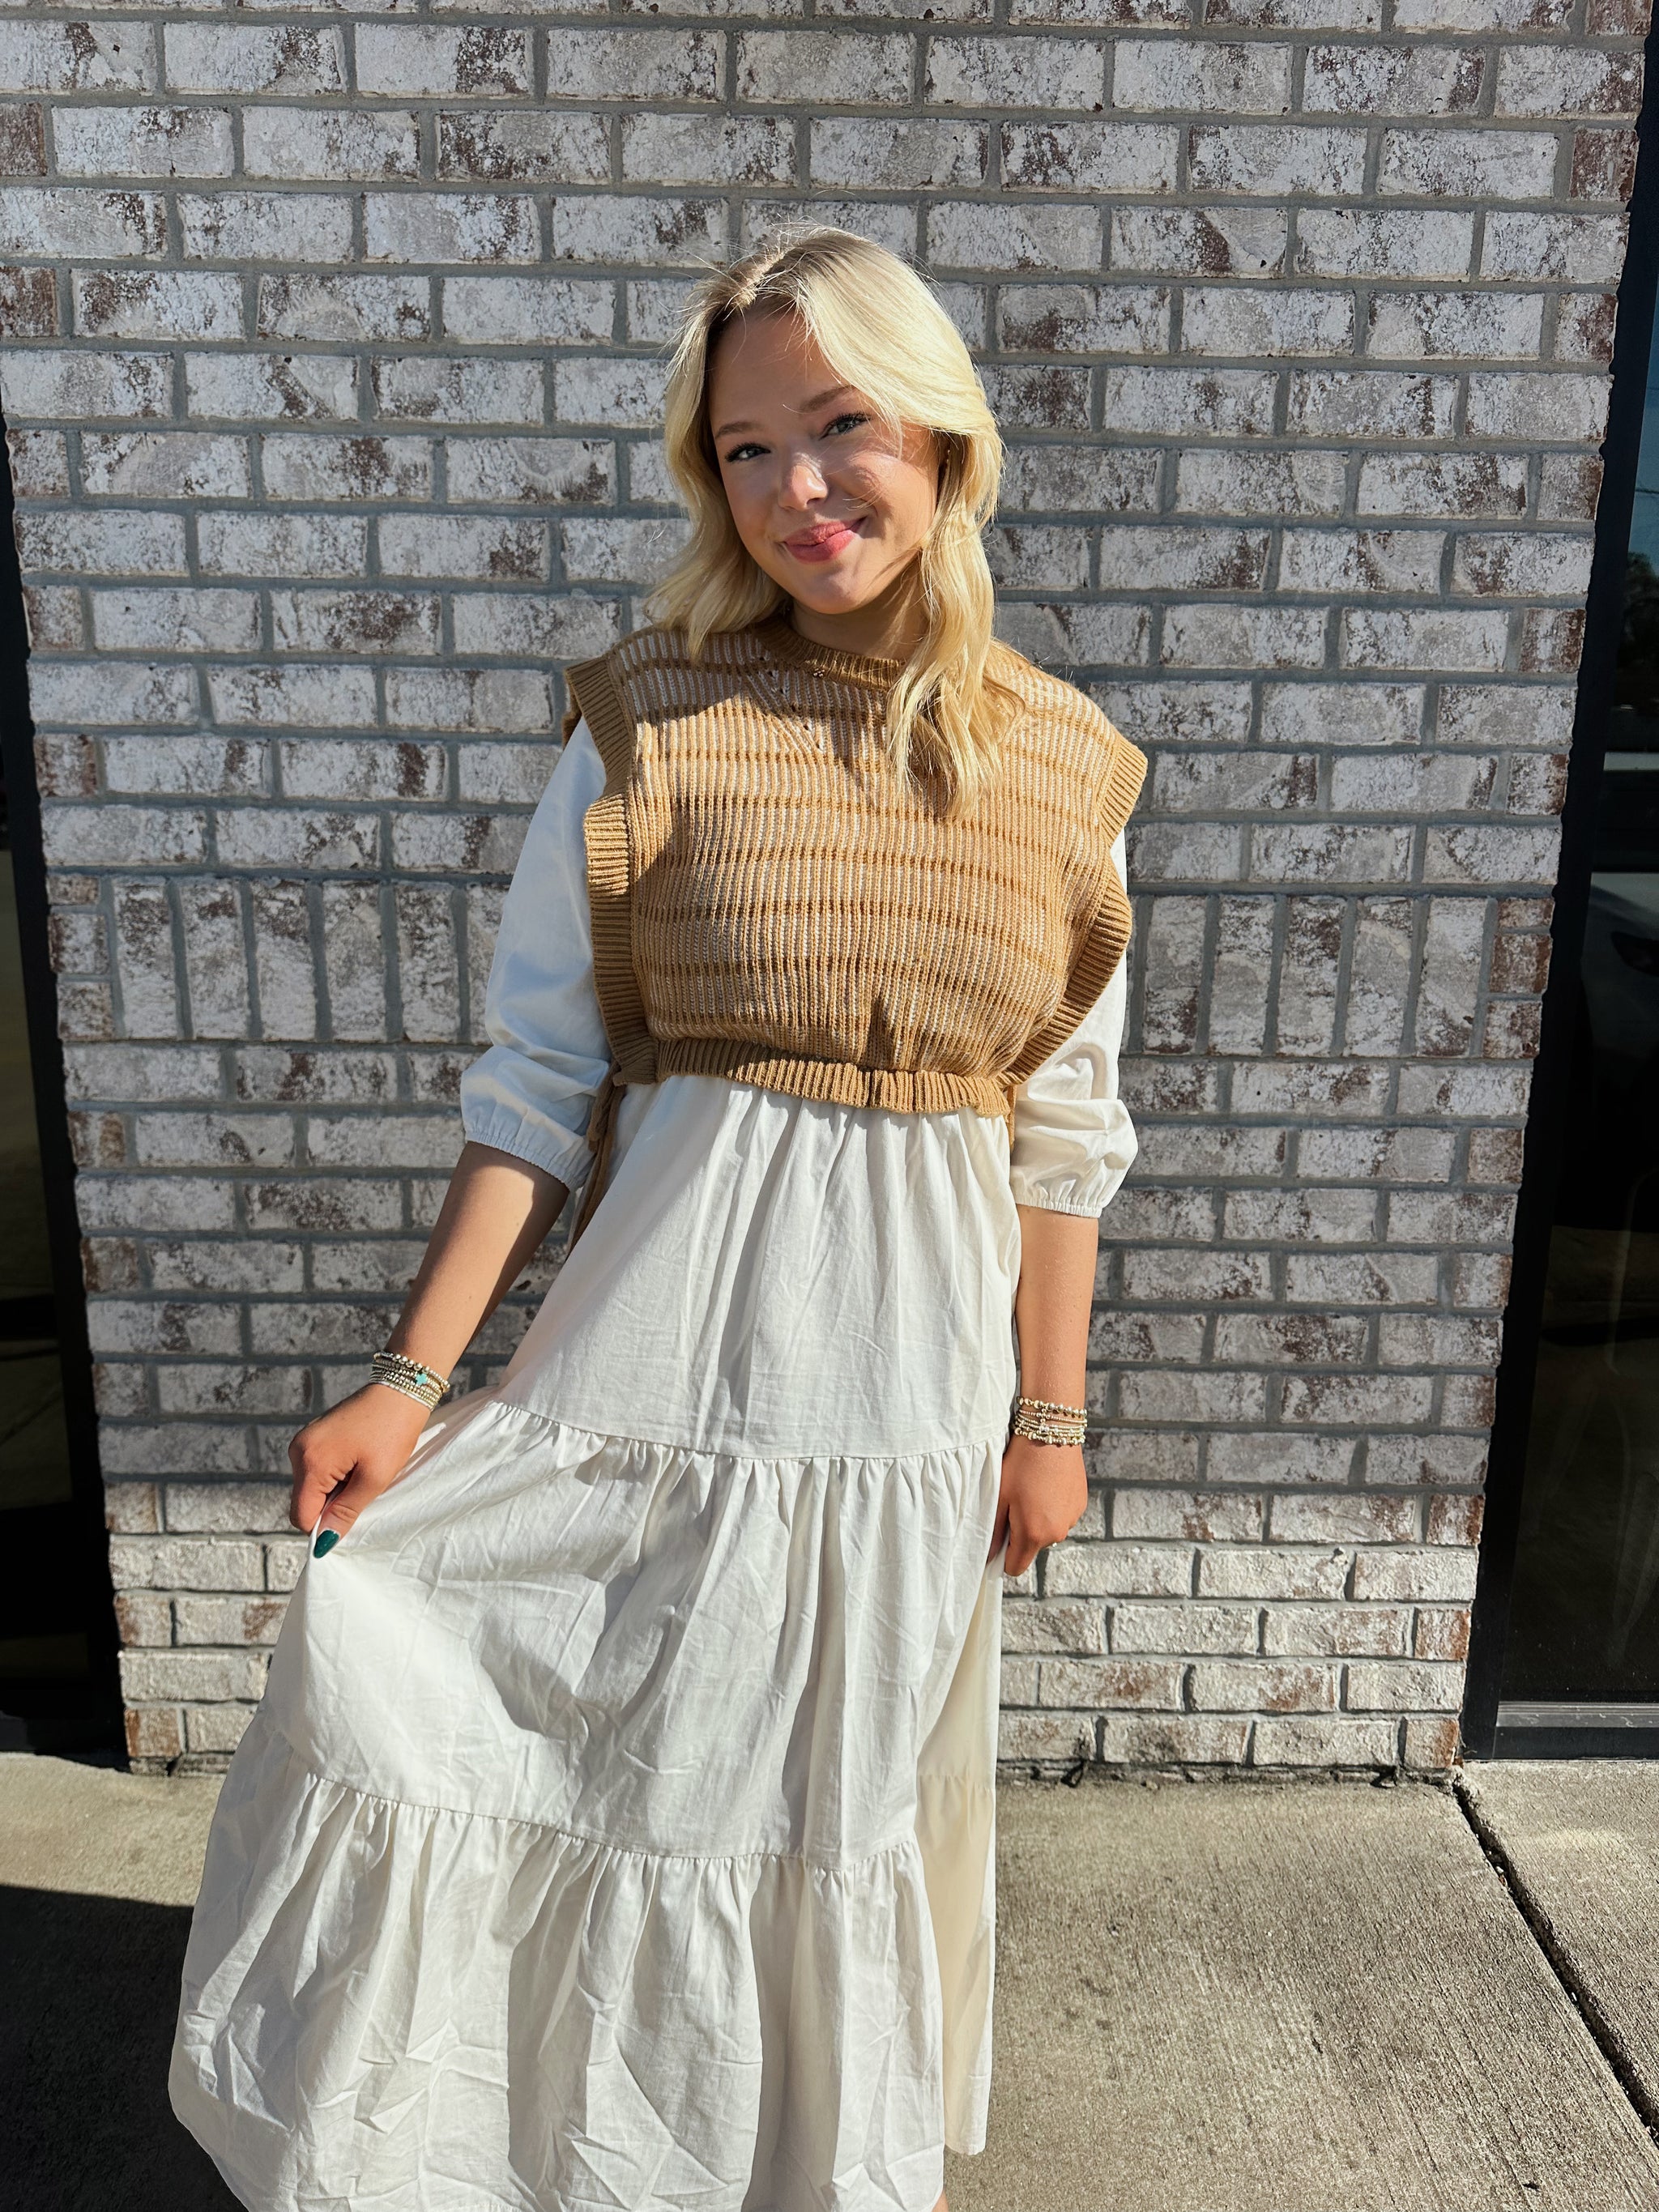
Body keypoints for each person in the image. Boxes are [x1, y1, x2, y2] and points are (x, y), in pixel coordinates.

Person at [169, 224, 1145, 2212]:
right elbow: (535, 1084)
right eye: (745, 449)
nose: (797, 488)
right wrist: (410, 1379)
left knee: (811, 1809)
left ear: (942, 437)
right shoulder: (647, 721)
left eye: (839, 427)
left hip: (906, 1398)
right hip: (657, 1350)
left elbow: (1063, 1137)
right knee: (527, 1723)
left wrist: (1049, 1418)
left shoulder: (1066, 766)